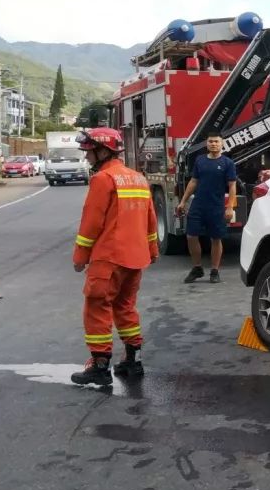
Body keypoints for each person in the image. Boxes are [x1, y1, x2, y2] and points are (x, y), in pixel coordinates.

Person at [70, 128, 158, 387]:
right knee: (125, 307)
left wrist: (80, 256)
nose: (87, 157)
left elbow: (91, 223)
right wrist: (152, 250)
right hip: (136, 257)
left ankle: (99, 367)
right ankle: (133, 360)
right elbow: (150, 221)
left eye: (89, 151)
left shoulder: (103, 179)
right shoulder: (138, 179)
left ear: (103, 150)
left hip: (108, 259)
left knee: (97, 308)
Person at [177, 133, 237, 284]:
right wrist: (183, 201)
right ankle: (197, 268)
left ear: (222, 143)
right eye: (210, 141)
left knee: (216, 239)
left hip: (216, 206)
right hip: (198, 205)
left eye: (216, 141)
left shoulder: (227, 163)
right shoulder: (200, 160)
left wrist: (229, 207)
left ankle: (214, 271)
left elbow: (232, 186)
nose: (213, 144)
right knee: (191, 236)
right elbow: (193, 181)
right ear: (207, 143)